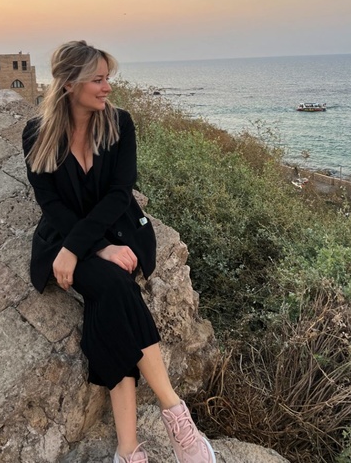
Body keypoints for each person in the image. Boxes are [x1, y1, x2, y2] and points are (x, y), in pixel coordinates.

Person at [22, 41, 216, 463]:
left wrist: (99, 247)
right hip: (65, 236)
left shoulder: (119, 123)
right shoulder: (37, 133)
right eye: (98, 79)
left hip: (118, 230)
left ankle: (130, 449)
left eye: (107, 78)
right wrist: (88, 248)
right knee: (114, 288)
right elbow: (50, 204)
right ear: (69, 83)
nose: (108, 87)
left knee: (110, 299)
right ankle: (174, 415)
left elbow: (119, 193)